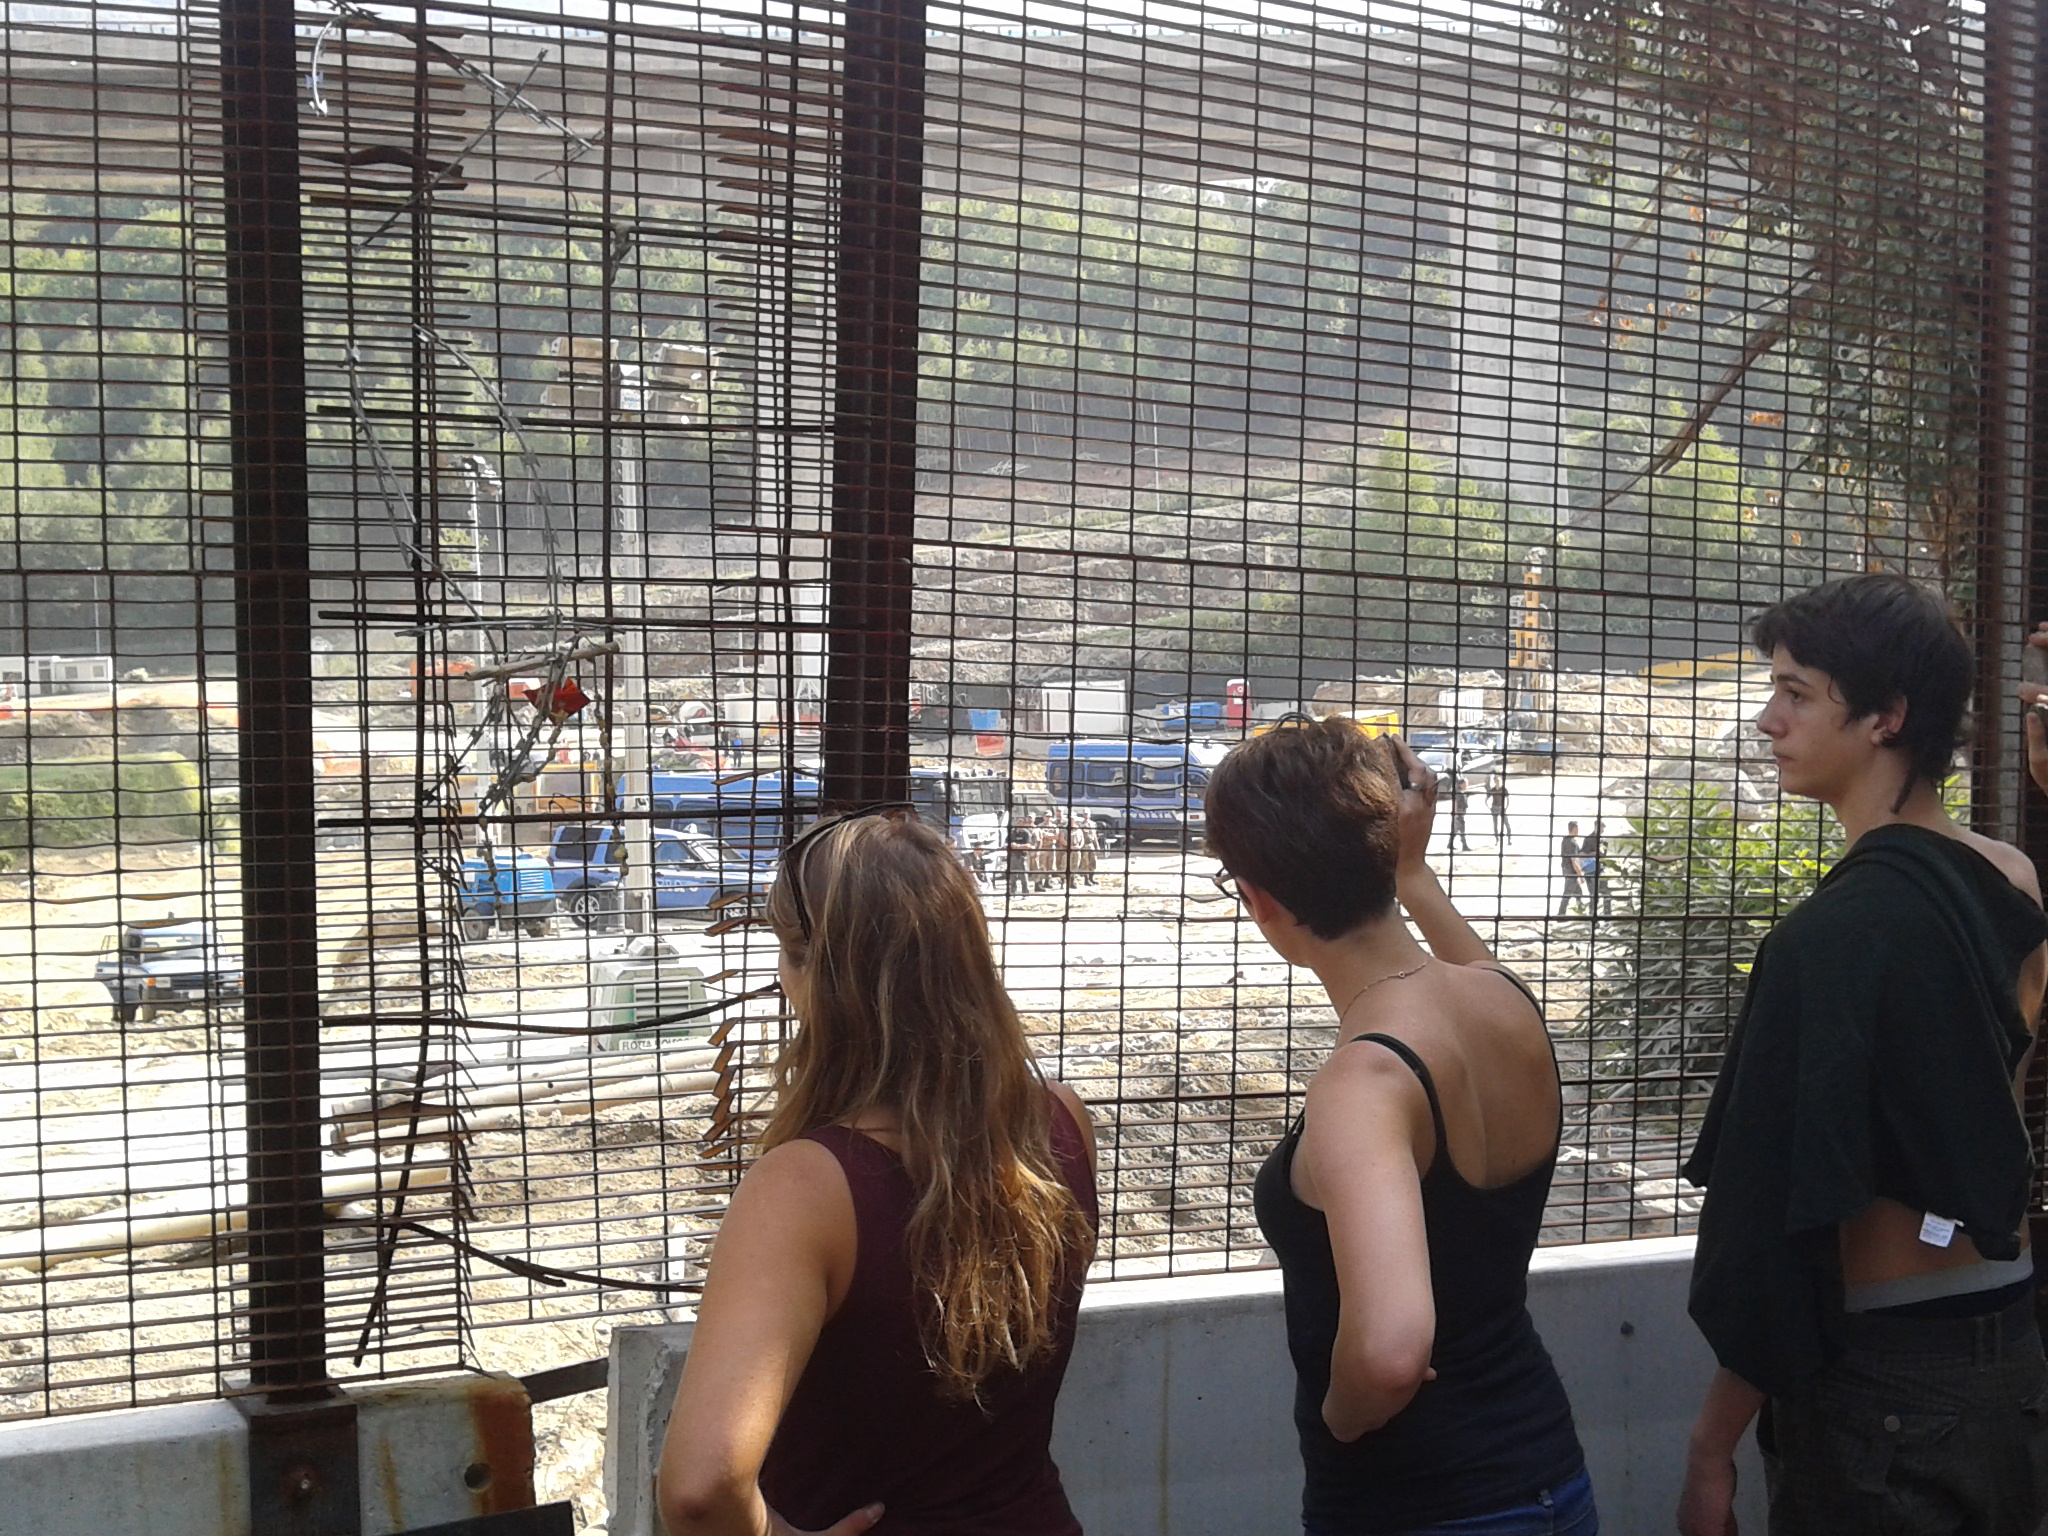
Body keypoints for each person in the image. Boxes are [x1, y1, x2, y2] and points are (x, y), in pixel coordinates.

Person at [1678, 574, 2048, 1536]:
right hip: (2011, 1344)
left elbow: (1778, 1228)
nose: (1768, 721)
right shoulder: (2011, 881)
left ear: (1887, 716)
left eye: (1797, 693)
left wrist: (1712, 1447)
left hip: (1885, 1375)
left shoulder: (1828, 941)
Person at [657, 808, 1100, 1536]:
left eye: (786, 951)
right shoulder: (1059, 1122)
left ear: (815, 972)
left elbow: (700, 1489)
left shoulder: (804, 1188)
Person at [1205, 719, 1595, 1536]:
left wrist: (1340, 1417)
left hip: (1420, 1501)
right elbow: (1461, 960)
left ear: (1259, 900)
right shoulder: (1503, 999)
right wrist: (1410, 869)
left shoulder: (1366, 1082)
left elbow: (1390, 1353)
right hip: (1551, 1473)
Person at [1555, 822, 1584, 917]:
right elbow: (1574, 860)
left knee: (1578, 892)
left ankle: (1581, 911)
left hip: (1566, 869)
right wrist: (1580, 874)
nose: (1578, 830)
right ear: (1574, 829)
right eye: (1577, 828)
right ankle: (1561, 914)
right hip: (1571, 871)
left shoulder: (1565, 840)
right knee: (1567, 893)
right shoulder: (1572, 843)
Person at [1578, 821, 1603, 917]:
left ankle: (1592, 912)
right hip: (1591, 870)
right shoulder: (1589, 839)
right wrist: (1595, 853)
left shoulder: (1602, 840)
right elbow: (1581, 854)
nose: (1602, 830)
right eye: (1600, 827)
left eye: (1602, 828)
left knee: (1595, 894)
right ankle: (1592, 913)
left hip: (1597, 870)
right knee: (1594, 893)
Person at [1448, 778, 1472, 852]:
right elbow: (1455, 802)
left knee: (1456, 830)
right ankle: (1464, 846)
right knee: (1462, 830)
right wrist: (1455, 813)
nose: (1466, 784)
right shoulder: (1459, 792)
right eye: (1465, 783)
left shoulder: (1461, 791)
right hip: (1459, 813)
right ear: (1461, 784)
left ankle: (1450, 844)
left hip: (1460, 813)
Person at [1487, 778, 1510, 843]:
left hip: (1501, 808)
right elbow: (1486, 799)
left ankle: (1509, 839)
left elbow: (1507, 799)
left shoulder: (1504, 789)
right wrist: (1489, 808)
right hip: (1494, 808)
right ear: (1494, 782)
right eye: (1496, 781)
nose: (1498, 782)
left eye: (1499, 781)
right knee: (1495, 825)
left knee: (1506, 823)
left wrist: (1506, 807)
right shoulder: (1492, 790)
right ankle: (1497, 839)